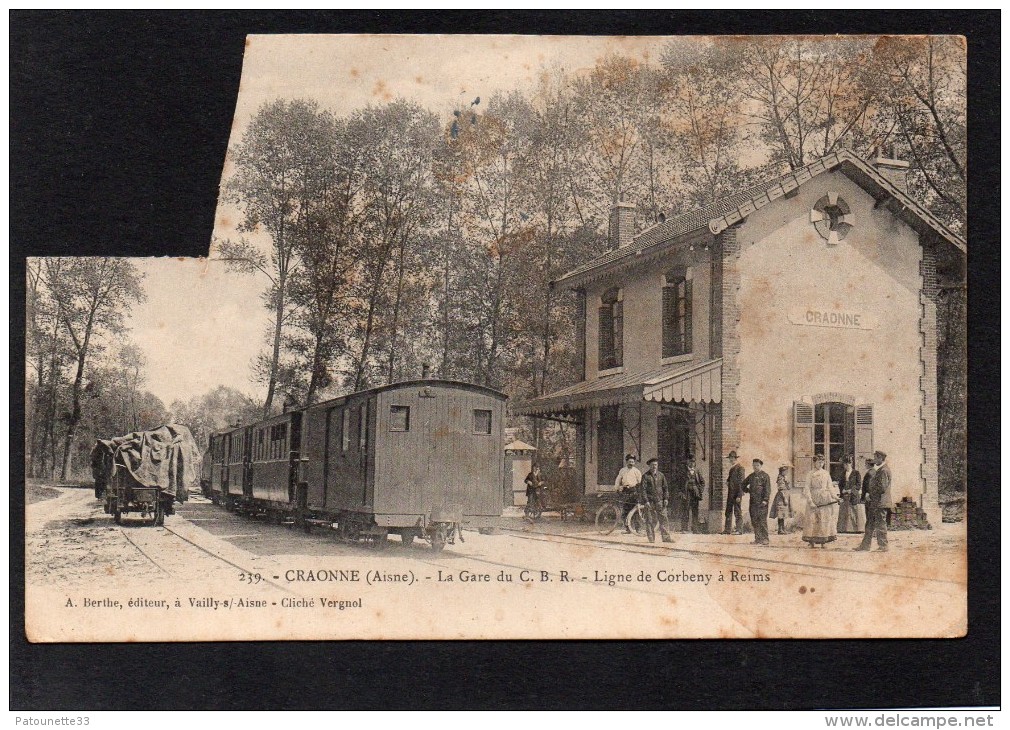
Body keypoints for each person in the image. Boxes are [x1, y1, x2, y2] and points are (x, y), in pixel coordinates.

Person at [855, 450, 892, 552]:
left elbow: (882, 488)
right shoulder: (880, 470)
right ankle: (865, 546)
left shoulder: (884, 470)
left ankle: (883, 546)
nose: (874, 460)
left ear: (880, 458)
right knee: (870, 524)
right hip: (875, 502)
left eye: (875, 458)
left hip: (880, 502)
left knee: (880, 524)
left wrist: (869, 495)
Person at [802, 453, 840, 548]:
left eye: (822, 462)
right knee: (812, 520)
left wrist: (836, 497)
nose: (820, 464)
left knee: (824, 519)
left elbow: (830, 487)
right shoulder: (810, 474)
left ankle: (823, 542)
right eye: (819, 462)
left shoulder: (826, 473)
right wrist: (810, 501)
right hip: (814, 497)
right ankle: (811, 542)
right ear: (814, 462)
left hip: (824, 498)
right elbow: (806, 488)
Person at [639, 458, 673, 543]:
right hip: (649, 502)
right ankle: (651, 539)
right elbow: (643, 490)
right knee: (650, 520)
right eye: (652, 465)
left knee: (664, 519)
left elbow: (665, 488)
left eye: (655, 465)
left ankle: (666, 538)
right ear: (649, 466)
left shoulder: (661, 475)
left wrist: (666, 498)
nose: (654, 466)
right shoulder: (645, 476)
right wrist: (646, 501)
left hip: (660, 501)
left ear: (657, 466)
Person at [742, 458, 771, 545]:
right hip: (753, 502)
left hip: (762, 502)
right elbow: (743, 484)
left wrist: (765, 500)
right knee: (754, 521)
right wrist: (748, 490)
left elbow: (768, 489)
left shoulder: (765, 476)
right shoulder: (751, 476)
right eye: (754, 465)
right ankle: (757, 539)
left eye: (757, 465)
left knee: (762, 520)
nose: (755, 467)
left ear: (761, 466)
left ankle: (765, 539)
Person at [615, 454, 642, 534]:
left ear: (634, 463)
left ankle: (638, 529)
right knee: (625, 510)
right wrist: (617, 488)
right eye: (629, 461)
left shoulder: (637, 471)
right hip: (626, 491)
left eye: (632, 462)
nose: (631, 463)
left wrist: (638, 492)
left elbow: (640, 482)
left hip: (634, 491)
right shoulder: (622, 470)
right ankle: (628, 529)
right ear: (626, 462)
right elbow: (618, 480)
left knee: (636, 511)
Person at [836, 456, 864, 533]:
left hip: (853, 495)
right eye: (845, 464)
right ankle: (843, 529)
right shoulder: (843, 473)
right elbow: (840, 484)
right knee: (844, 511)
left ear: (851, 464)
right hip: (845, 495)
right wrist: (843, 490)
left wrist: (851, 490)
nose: (846, 466)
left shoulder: (856, 473)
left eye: (848, 464)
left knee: (854, 511)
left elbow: (858, 485)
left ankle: (856, 529)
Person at [677, 455, 705, 533]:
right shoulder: (683, 471)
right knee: (685, 510)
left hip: (695, 493)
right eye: (690, 461)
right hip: (686, 493)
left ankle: (695, 529)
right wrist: (680, 491)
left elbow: (702, 482)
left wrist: (700, 490)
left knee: (695, 511)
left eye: (693, 461)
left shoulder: (697, 471)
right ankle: (684, 529)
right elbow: (678, 482)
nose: (692, 463)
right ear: (687, 462)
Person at [722, 451, 745, 535]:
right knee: (728, 511)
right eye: (730, 459)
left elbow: (741, 483)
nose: (731, 460)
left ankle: (739, 529)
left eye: (732, 458)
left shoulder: (740, 468)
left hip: (736, 494)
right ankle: (727, 530)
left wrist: (739, 495)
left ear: (736, 459)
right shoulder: (732, 469)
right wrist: (728, 481)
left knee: (737, 511)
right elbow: (729, 479)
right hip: (730, 493)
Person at [770, 465, 794, 534]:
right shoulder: (780, 478)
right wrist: (784, 498)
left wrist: (787, 481)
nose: (786, 472)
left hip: (786, 495)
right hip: (781, 497)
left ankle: (782, 529)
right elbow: (780, 489)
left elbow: (789, 488)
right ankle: (780, 530)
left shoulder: (785, 478)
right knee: (780, 513)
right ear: (781, 471)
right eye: (785, 471)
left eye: (786, 471)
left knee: (783, 513)